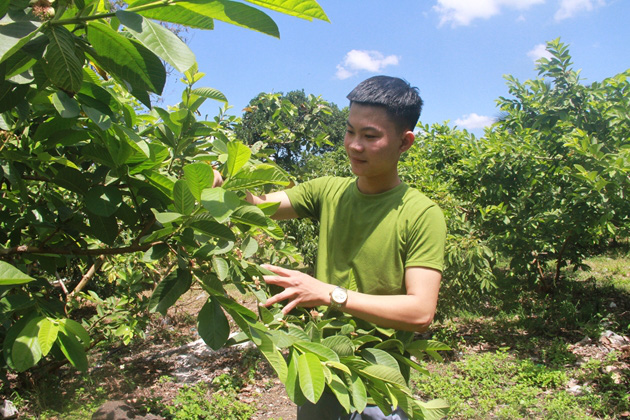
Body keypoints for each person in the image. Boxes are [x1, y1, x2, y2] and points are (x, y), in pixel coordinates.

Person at [215, 75, 446, 419]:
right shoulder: (327, 191)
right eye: (350, 131)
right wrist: (224, 181)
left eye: (370, 136)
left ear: (404, 142)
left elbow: (420, 312)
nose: (354, 145)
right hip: (320, 369)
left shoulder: (421, 213)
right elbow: (259, 204)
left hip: (376, 383)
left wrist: (328, 293)